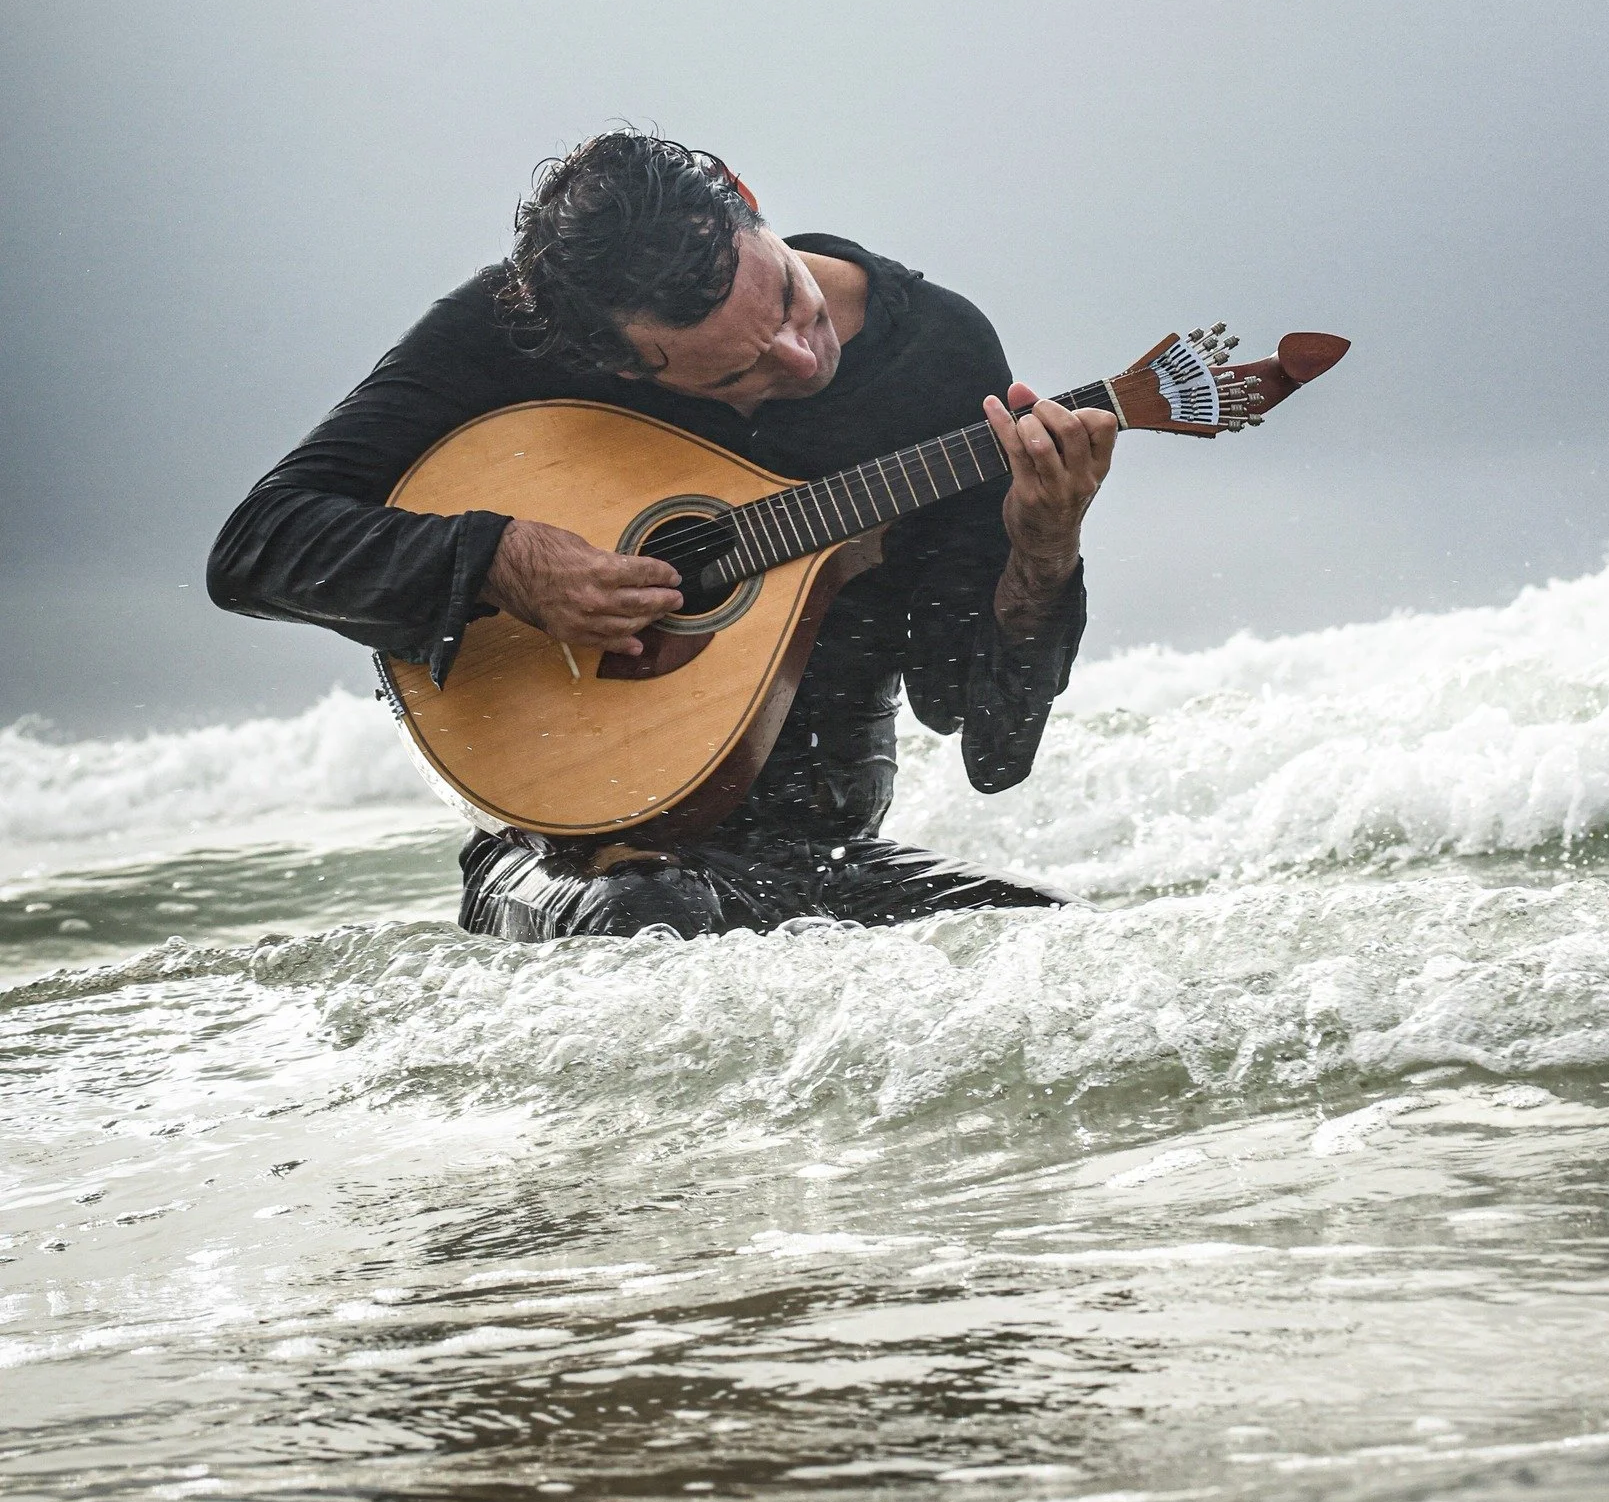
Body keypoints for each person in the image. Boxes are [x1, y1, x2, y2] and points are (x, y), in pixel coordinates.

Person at [208, 131, 1116, 941]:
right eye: (738, 373)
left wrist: (1043, 547)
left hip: (820, 862)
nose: (803, 361)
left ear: (749, 208)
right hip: (572, 861)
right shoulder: (511, 334)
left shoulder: (939, 356)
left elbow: (988, 741)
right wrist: (497, 560)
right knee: (651, 922)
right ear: (606, 362)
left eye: (794, 305)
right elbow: (261, 546)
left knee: (1067, 952)